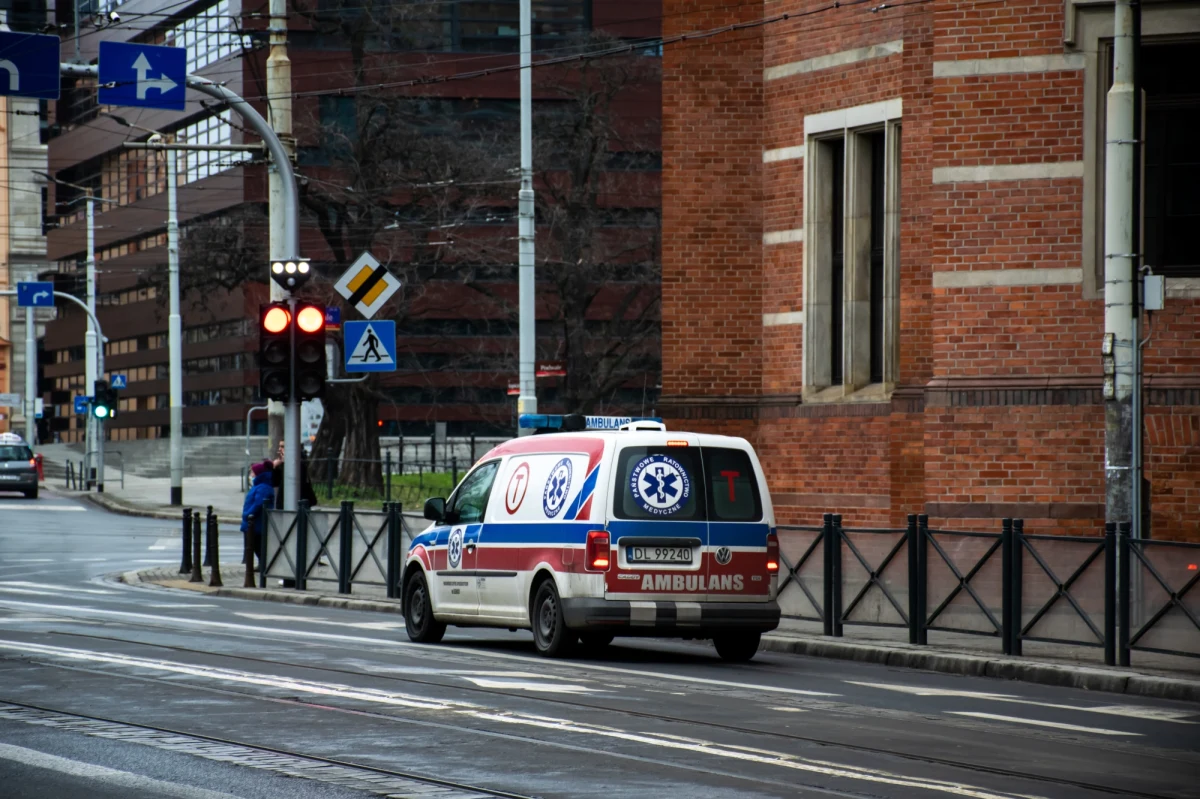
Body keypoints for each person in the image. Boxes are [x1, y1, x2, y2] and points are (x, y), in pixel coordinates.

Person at [241, 460, 275, 565]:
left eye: (252, 472)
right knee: (254, 545)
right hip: (253, 521)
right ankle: (262, 564)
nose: (251, 475)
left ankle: (263, 564)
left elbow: (258, 503)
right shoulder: (259, 486)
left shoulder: (263, 487)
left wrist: (248, 514)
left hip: (256, 521)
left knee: (256, 544)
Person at [272, 441, 318, 509]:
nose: (279, 449)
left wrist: (286, 463)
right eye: (279, 446)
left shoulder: (299, 461)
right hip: (284, 501)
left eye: (282, 446)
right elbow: (275, 482)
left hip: (299, 501)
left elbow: (298, 481)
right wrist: (274, 468)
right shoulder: (282, 462)